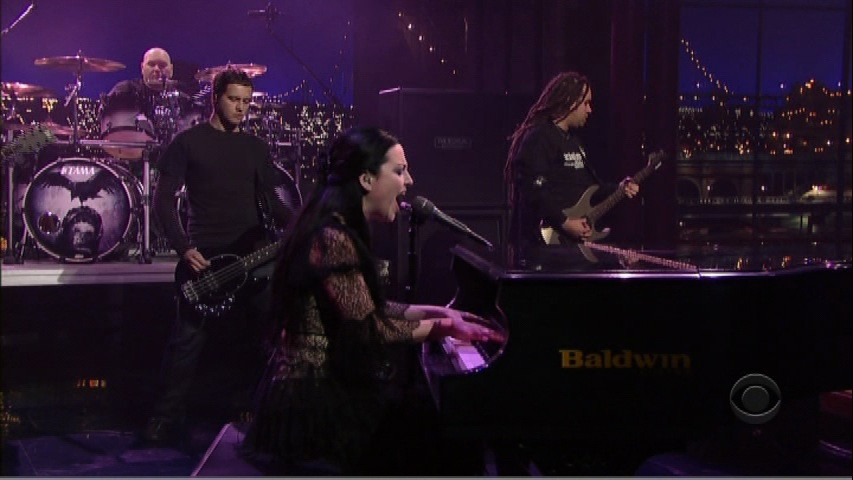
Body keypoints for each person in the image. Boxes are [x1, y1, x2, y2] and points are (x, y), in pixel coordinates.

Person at [240, 126, 505, 475]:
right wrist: (442, 327)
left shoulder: (332, 226)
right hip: (310, 404)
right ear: (366, 179)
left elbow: (365, 309)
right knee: (437, 439)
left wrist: (437, 311)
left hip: (319, 388)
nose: (409, 181)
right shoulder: (333, 237)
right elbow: (369, 330)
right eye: (399, 171)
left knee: (432, 430)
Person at [143, 68, 293, 443]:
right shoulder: (187, 142)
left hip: (255, 258)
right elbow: (162, 201)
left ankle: (258, 412)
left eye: (247, 101)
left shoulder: (257, 148)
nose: (241, 108)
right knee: (186, 342)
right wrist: (184, 248)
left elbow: (272, 204)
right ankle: (163, 417)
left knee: (265, 336)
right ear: (215, 98)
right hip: (207, 258)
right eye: (234, 100)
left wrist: (303, 222)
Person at [504, 71, 639, 270]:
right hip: (545, 248)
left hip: (569, 245)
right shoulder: (539, 138)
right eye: (586, 103)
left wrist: (618, 189)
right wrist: (565, 223)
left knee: (624, 259)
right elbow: (533, 190)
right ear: (570, 101)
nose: (590, 110)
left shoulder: (574, 142)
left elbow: (588, 189)